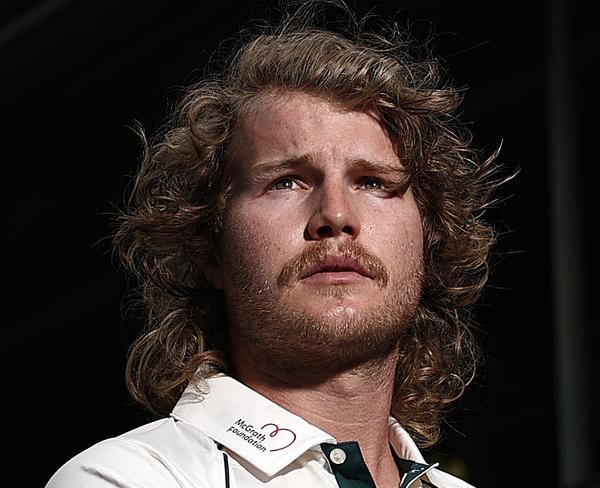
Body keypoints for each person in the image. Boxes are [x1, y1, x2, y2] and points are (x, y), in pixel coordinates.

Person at [46, 2, 505, 487]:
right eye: (287, 182)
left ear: (429, 243)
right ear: (209, 248)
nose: (336, 216)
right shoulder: (130, 476)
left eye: (372, 181)